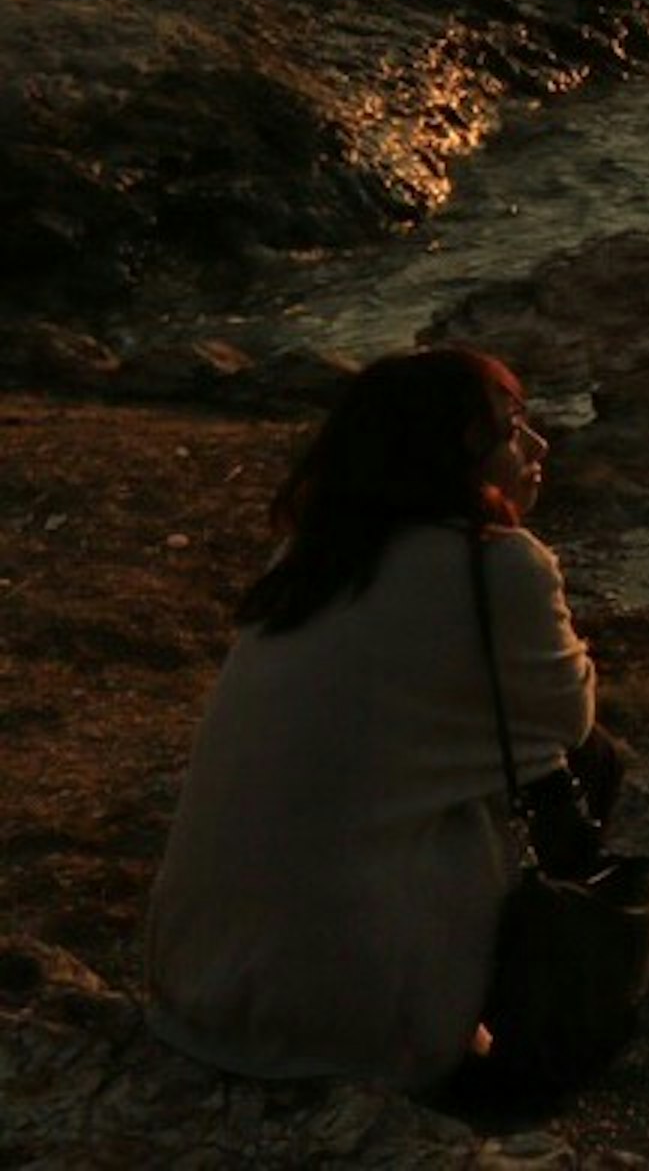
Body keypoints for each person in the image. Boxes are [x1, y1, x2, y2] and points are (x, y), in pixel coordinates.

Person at [144, 346, 620, 1095]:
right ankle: (503, 1013)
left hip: (197, 990)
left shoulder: (310, 556)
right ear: (450, 453)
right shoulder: (500, 565)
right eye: (508, 430)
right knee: (591, 759)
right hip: (346, 1026)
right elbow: (569, 715)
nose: (536, 447)